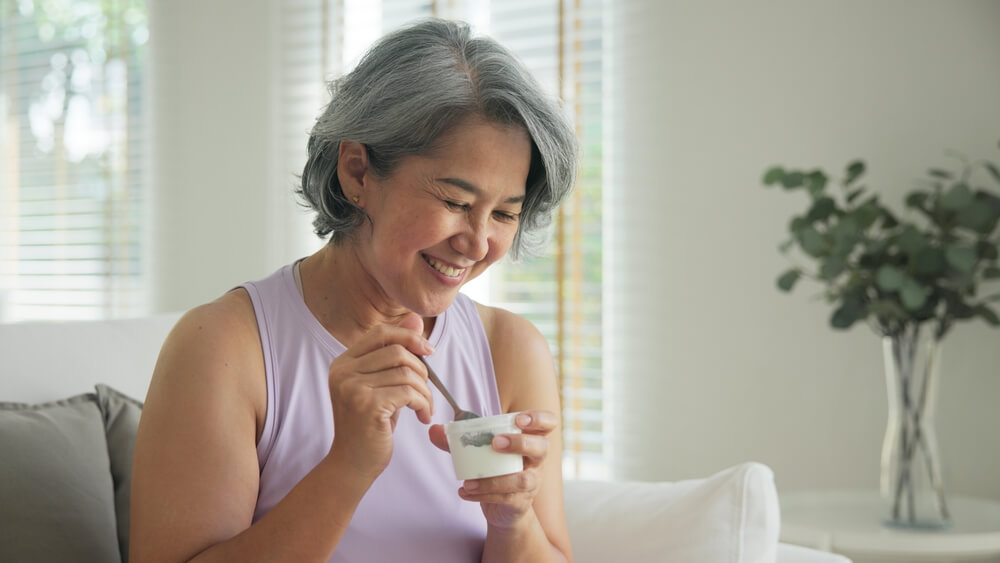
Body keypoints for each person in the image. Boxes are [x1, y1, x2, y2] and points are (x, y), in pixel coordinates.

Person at [129, 18, 578, 563]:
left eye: (505, 213)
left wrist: (515, 521)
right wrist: (349, 464)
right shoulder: (224, 347)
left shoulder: (510, 350)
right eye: (456, 203)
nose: (478, 243)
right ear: (357, 172)